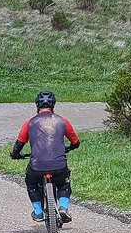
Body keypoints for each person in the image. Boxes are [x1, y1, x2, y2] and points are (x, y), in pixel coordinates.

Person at [10, 91, 80, 223]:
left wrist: (15, 155)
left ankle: (38, 212)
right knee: (64, 185)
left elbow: (19, 144)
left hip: (37, 166)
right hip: (59, 165)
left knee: (31, 183)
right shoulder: (63, 121)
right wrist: (70, 147)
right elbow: (75, 142)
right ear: (53, 105)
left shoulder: (29, 122)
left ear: (37, 105)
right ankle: (63, 208)